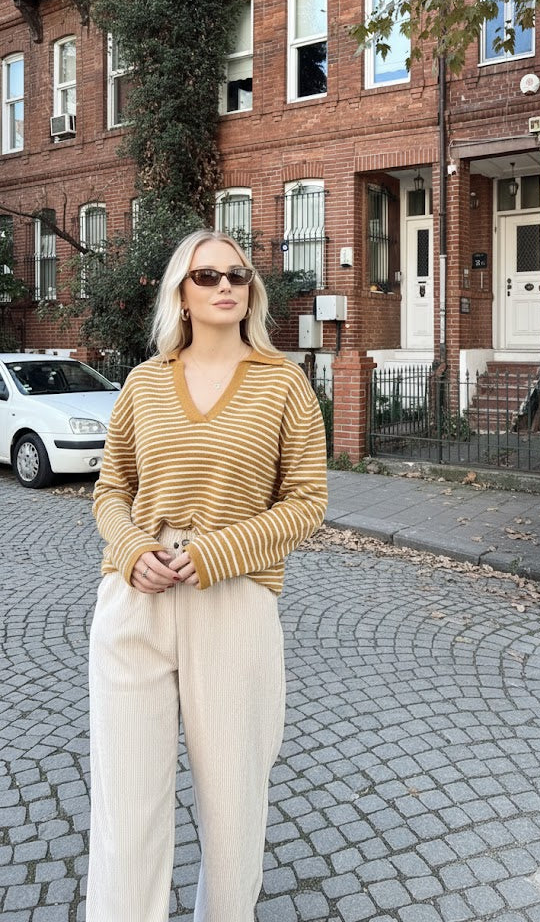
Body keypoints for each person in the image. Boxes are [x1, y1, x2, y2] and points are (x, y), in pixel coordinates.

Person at [86, 228, 328, 922]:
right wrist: (132, 549)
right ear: (181, 295)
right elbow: (109, 489)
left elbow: (307, 503)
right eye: (206, 276)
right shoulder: (144, 382)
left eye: (237, 274)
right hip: (134, 603)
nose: (225, 285)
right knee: (126, 806)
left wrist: (219, 552)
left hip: (234, 606)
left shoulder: (283, 383)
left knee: (233, 806)